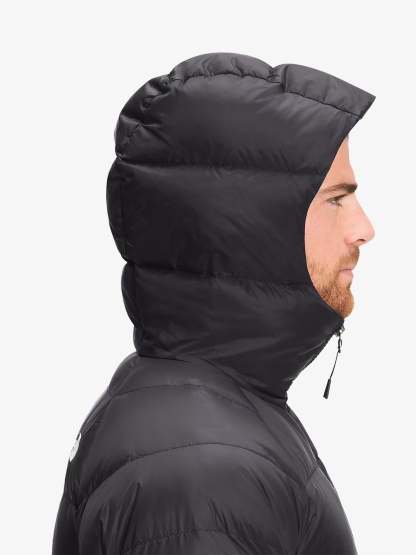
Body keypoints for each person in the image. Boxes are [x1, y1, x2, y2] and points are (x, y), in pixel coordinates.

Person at [52, 52, 376, 555]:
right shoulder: (205, 470)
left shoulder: (209, 410)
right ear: (250, 226)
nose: (364, 229)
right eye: (336, 199)